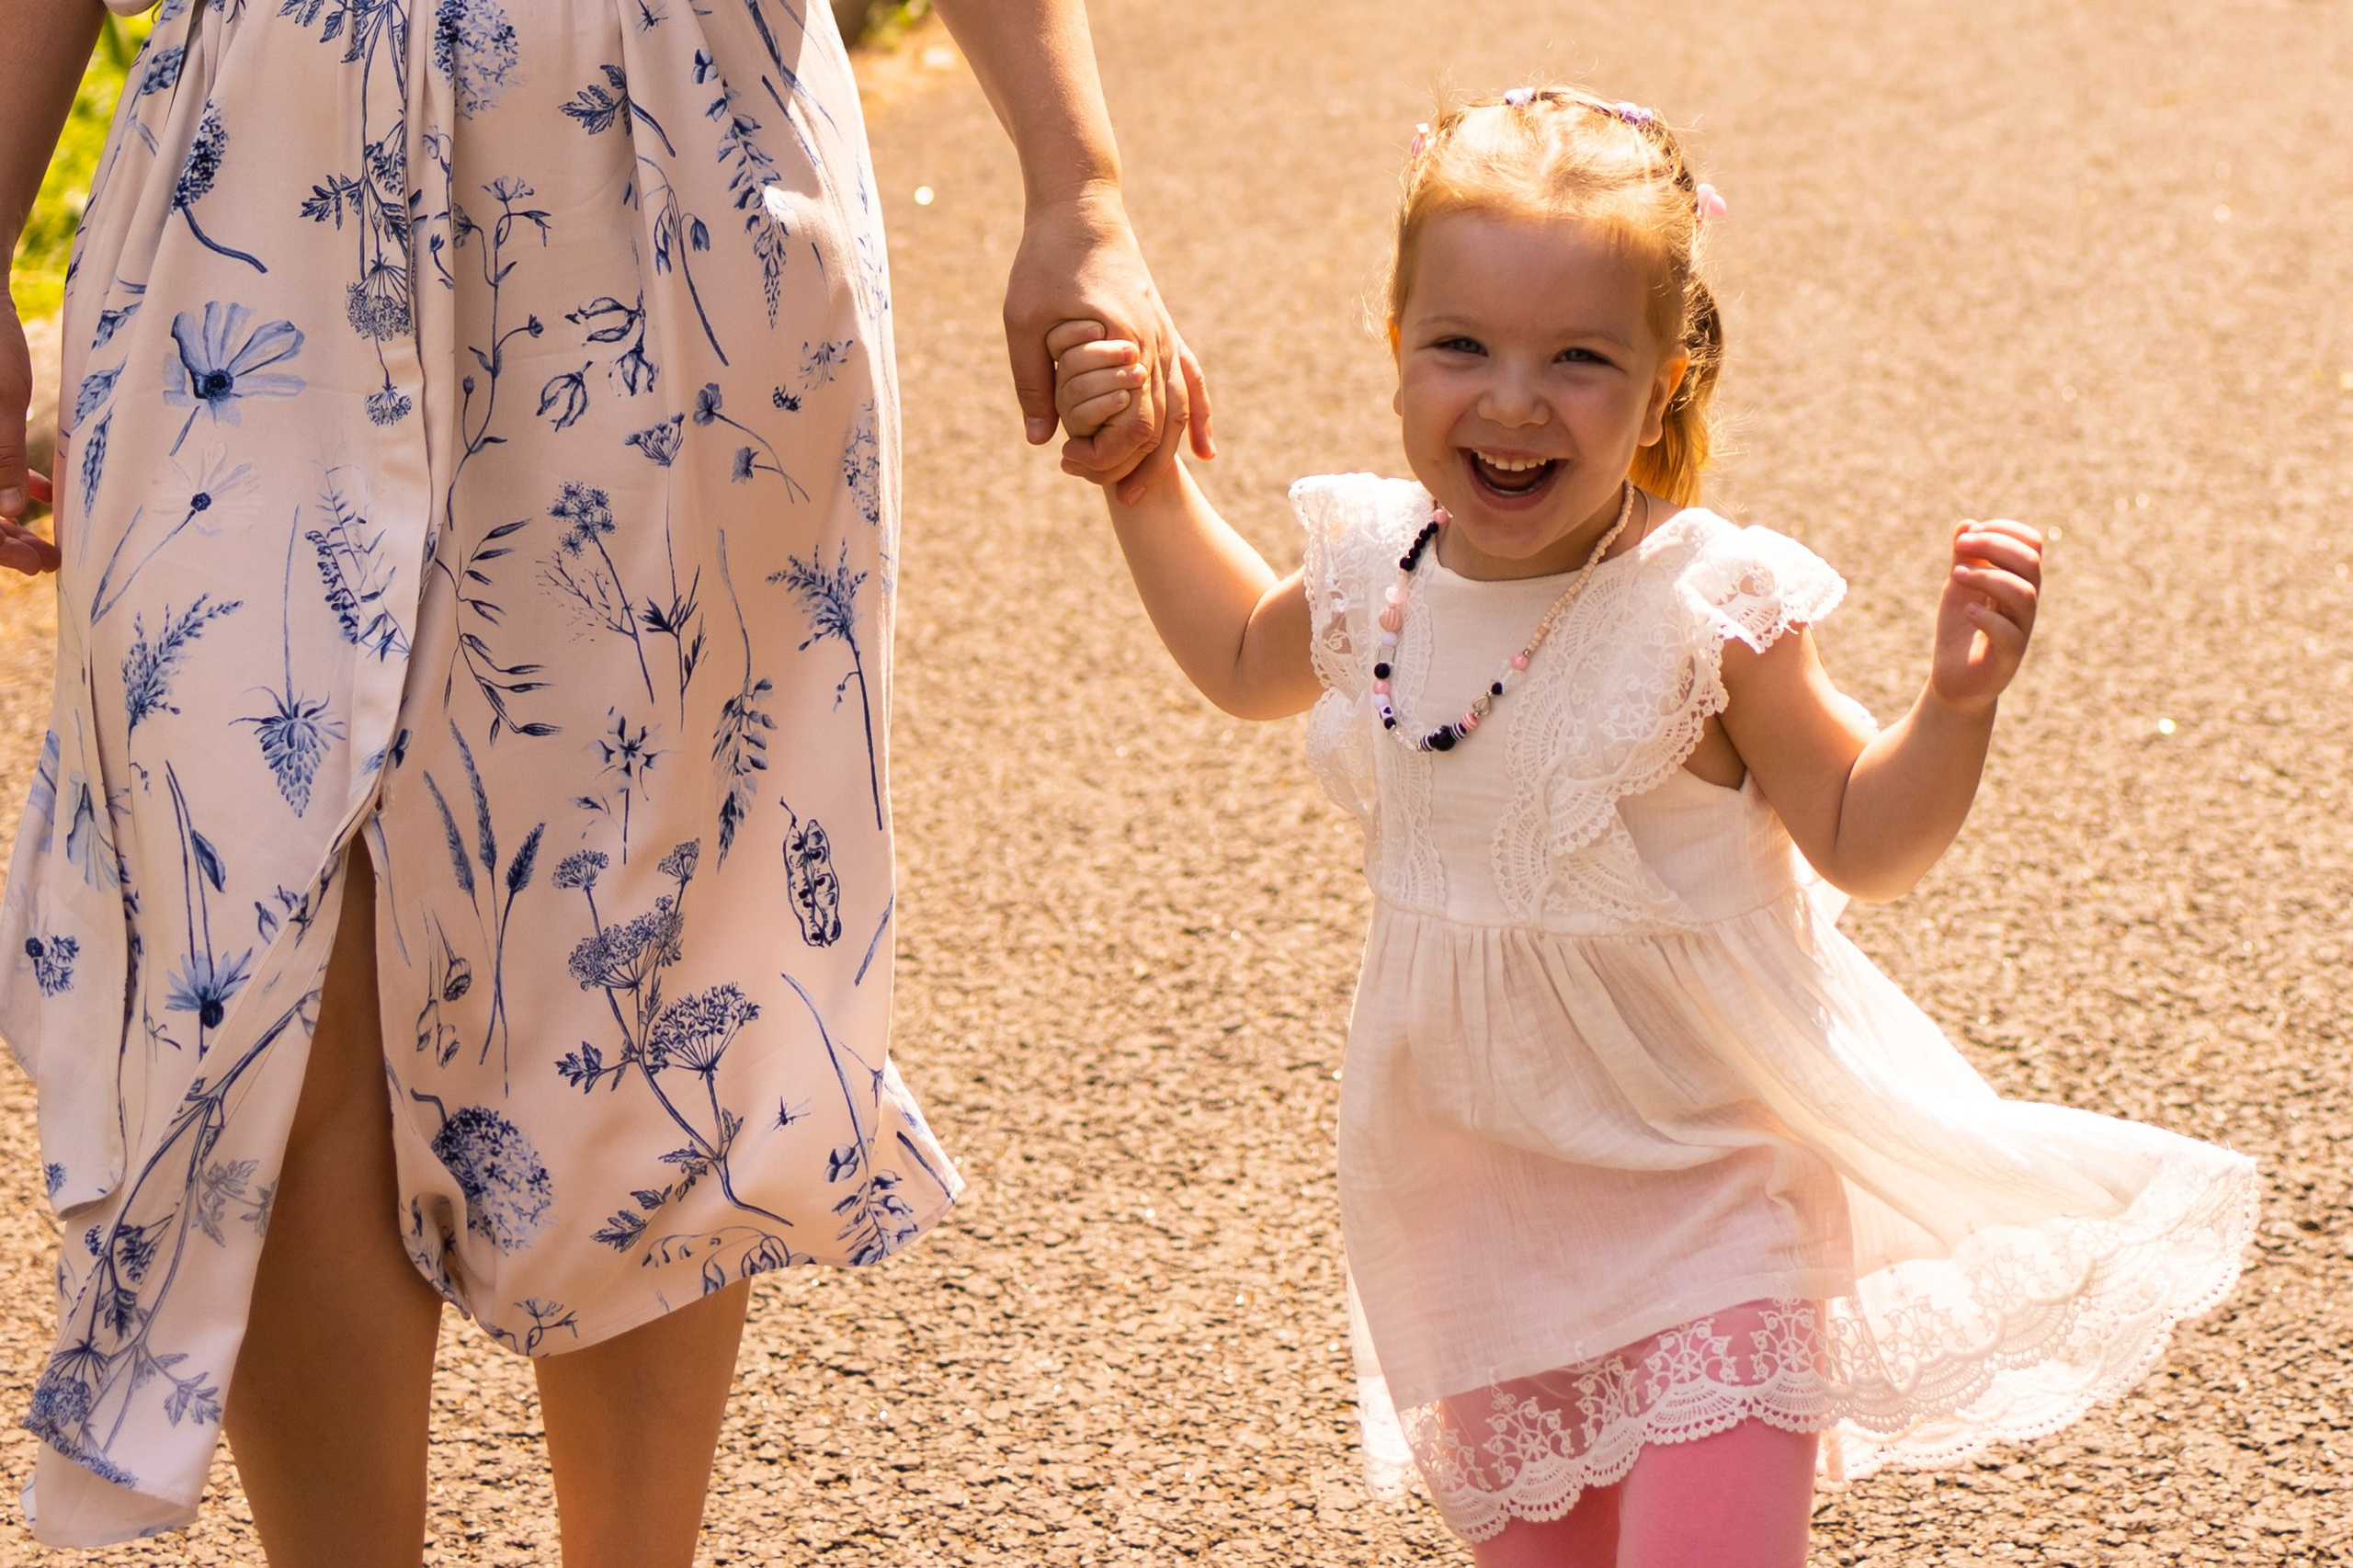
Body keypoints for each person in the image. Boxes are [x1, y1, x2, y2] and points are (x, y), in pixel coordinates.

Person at [0, 0, 1207, 1558]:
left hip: (672, 166)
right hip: (252, 195)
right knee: (250, 953)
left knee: (641, 956)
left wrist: (1079, 190)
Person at [1049, 85, 2256, 1567]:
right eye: (1462, 347)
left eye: (1578, 359)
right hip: (1478, 1239)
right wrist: (1143, 475)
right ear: (1394, 342)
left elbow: (1865, 835)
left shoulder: (1705, 612)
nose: (1510, 398)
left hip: (1707, 1218)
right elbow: (1238, 650)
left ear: (1666, 381)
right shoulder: (1383, 571)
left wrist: (1951, 711)